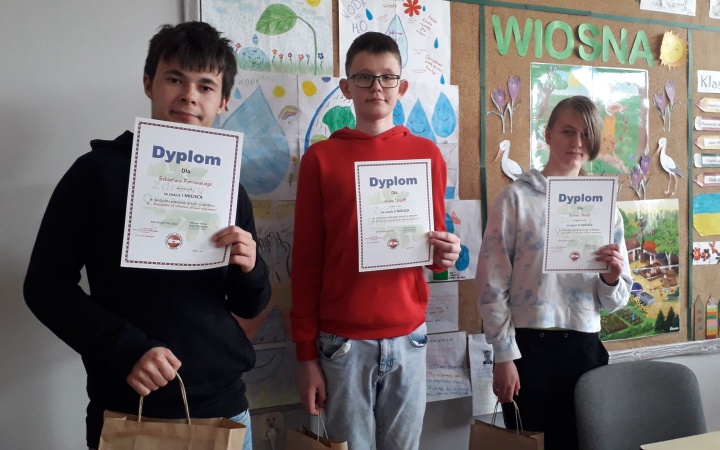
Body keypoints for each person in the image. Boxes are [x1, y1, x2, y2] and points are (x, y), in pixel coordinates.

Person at [23, 22, 271, 450]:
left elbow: (249, 303)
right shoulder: (96, 173)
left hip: (224, 408)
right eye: (175, 79)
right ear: (148, 83)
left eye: (206, 86)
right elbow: (44, 286)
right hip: (129, 410)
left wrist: (251, 268)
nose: (189, 95)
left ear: (223, 101)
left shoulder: (229, 187)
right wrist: (124, 347)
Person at [289, 31, 461, 450]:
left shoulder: (427, 155)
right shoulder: (320, 160)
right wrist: (306, 356)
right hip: (341, 343)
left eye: (387, 77)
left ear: (402, 86)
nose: (376, 87)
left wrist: (446, 254)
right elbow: (306, 263)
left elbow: (432, 250)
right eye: (364, 77)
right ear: (346, 87)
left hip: (410, 336)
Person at [474, 96, 632, 450]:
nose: (577, 142)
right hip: (528, 351)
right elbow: (490, 284)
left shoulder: (605, 209)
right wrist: (503, 355)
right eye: (567, 131)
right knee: (533, 446)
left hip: (584, 350)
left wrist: (610, 278)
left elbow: (616, 300)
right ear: (548, 135)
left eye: (586, 134)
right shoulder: (515, 199)